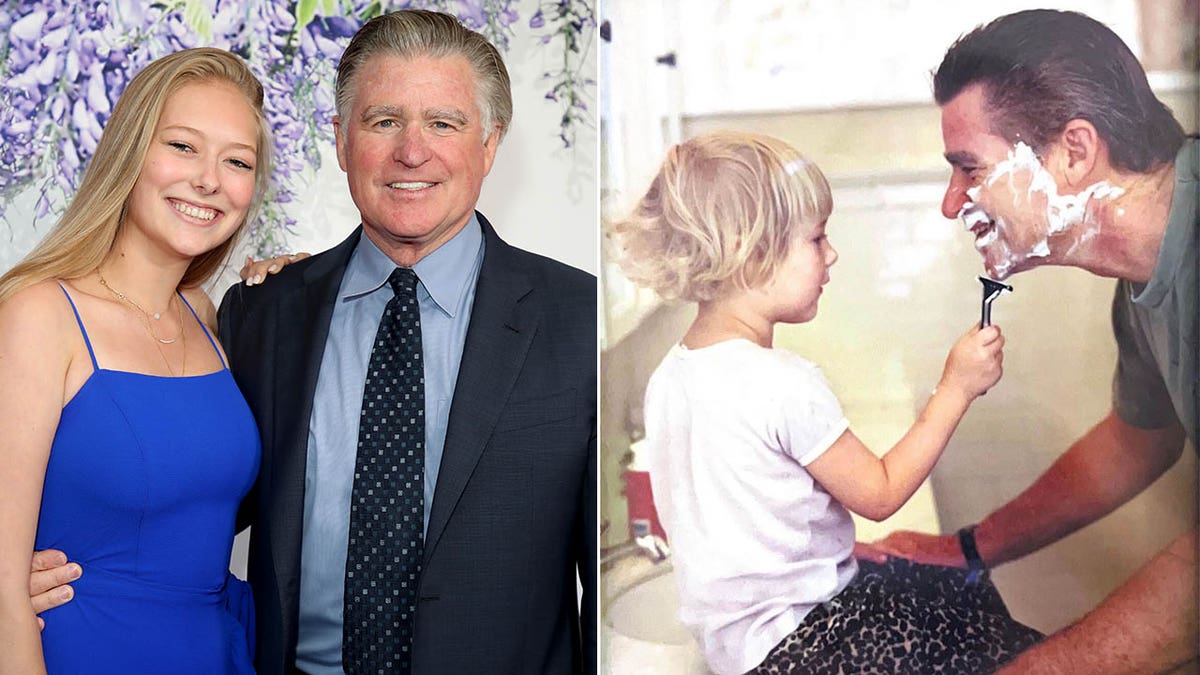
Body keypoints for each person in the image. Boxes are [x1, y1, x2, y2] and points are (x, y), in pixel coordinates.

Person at [31, 9, 597, 674]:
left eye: (443, 123)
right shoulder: (260, 312)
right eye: (383, 121)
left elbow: (615, 581)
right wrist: (35, 568)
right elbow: (179, 483)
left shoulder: (580, 319)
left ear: (490, 144)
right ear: (339, 138)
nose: (411, 150)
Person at [608, 130, 1040, 675]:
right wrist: (955, 387)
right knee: (983, 623)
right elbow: (880, 494)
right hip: (815, 643)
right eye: (816, 239)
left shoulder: (669, 377)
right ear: (752, 251)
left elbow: (742, 527)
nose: (831, 254)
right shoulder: (782, 382)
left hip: (744, 655)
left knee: (948, 596)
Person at [859, 9, 1198, 673]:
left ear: (1074, 152)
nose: (951, 203)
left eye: (970, 167)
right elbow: (1140, 436)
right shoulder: (1142, 278)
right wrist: (967, 549)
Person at [0, 48, 269, 673]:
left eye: (237, 161)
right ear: (129, 154)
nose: (209, 180)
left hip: (215, 649)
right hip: (83, 651)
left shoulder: (206, 315)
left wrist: (300, 281)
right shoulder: (40, 315)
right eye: (182, 146)